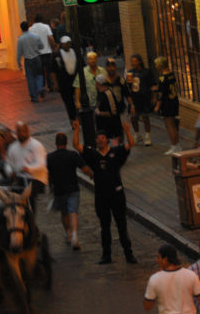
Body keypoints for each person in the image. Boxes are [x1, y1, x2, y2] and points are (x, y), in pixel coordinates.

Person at [73, 119, 136, 264]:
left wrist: (127, 131)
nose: (99, 140)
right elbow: (76, 145)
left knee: (121, 225)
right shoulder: (92, 154)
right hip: (101, 196)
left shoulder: (116, 152)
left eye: (102, 138)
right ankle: (106, 255)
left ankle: (129, 254)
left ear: (107, 140)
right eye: (97, 139)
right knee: (104, 227)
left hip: (117, 195)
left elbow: (130, 145)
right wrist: (77, 129)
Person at [46, 131, 85, 250]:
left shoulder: (50, 157)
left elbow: (47, 174)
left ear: (56, 143)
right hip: (73, 188)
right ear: (66, 143)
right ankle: (75, 235)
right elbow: (84, 168)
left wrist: (50, 186)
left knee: (65, 213)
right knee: (73, 212)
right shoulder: (72, 155)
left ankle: (68, 233)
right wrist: (92, 174)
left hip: (59, 190)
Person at [5, 121, 49, 204]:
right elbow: (8, 163)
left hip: (36, 179)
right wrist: (10, 172)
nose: (21, 134)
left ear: (27, 131)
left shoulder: (36, 146)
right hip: (20, 177)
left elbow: (41, 165)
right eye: (19, 132)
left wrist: (28, 169)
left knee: (28, 194)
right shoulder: (12, 147)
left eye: (23, 131)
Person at [154, 56, 181, 154]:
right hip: (174, 101)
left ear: (160, 66)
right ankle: (177, 144)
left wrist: (157, 106)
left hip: (167, 104)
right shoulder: (171, 75)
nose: (156, 66)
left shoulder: (162, 78)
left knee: (169, 125)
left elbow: (161, 94)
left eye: (157, 64)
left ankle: (174, 145)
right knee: (174, 125)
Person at [127, 53, 155, 146]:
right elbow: (128, 87)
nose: (133, 63)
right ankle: (137, 134)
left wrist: (154, 96)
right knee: (133, 117)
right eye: (132, 61)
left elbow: (152, 84)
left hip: (144, 97)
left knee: (145, 117)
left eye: (135, 61)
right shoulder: (130, 72)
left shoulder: (146, 72)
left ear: (139, 61)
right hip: (134, 98)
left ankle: (147, 136)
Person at [16, 20, 45, 102]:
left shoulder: (21, 39)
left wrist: (18, 62)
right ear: (28, 27)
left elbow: (19, 52)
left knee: (30, 78)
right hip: (37, 57)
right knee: (39, 74)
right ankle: (40, 87)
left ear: (21, 29)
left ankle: (34, 96)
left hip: (28, 60)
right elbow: (41, 46)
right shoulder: (36, 36)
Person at [28, 13, 57, 92]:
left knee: (39, 70)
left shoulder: (31, 29)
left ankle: (42, 86)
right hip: (47, 51)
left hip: (37, 53)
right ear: (42, 19)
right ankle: (50, 86)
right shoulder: (46, 27)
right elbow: (50, 38)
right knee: (48, 70)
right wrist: (53, 46)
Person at [55, 36, 80, 124]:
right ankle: (73, 119)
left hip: (75, 80)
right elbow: (53, 70)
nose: (68, 45)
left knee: (77, 99)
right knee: (69, 102)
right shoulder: (57, 54)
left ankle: (78, 117)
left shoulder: (74, 52)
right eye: (66, 44)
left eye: (69, 43)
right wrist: (56, 84)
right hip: (64, 82)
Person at [94, 74, 126, 141]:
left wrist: (99, 113)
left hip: (111, 130)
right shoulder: (100, 93)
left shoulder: (108, 94)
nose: (95, 85)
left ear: (99, 84)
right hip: (103, 128)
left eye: (96, 83)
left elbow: (113, 112)